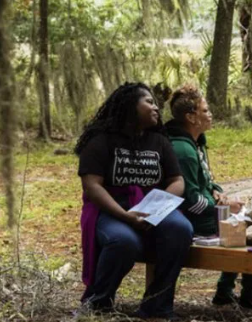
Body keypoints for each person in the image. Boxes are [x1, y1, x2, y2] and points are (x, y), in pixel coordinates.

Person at [76, 82, 194, 318]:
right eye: (149, 102)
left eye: (156, 104)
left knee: (181, 229)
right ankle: (98, 303)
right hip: (110, 209)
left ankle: (157, 306)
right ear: (130, 105)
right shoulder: (101, 140)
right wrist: (125, 216)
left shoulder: (159, 140)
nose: (156, 108)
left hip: (152, 206)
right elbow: (92, 186)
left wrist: (158, 209)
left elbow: (177, 180)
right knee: (123, 241)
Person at [164, 84, 252, 313]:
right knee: (247, 231)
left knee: (241, 219)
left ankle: (225, 292)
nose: (210, 114)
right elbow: (191, 201)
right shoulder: (183, 151)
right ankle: (248, 295)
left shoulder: (196, 142)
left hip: (204, 214)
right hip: (192, 224)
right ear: (191, 117)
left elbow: (206, 180)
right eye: (205, 111)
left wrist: (217, 191)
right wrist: (222, 207)